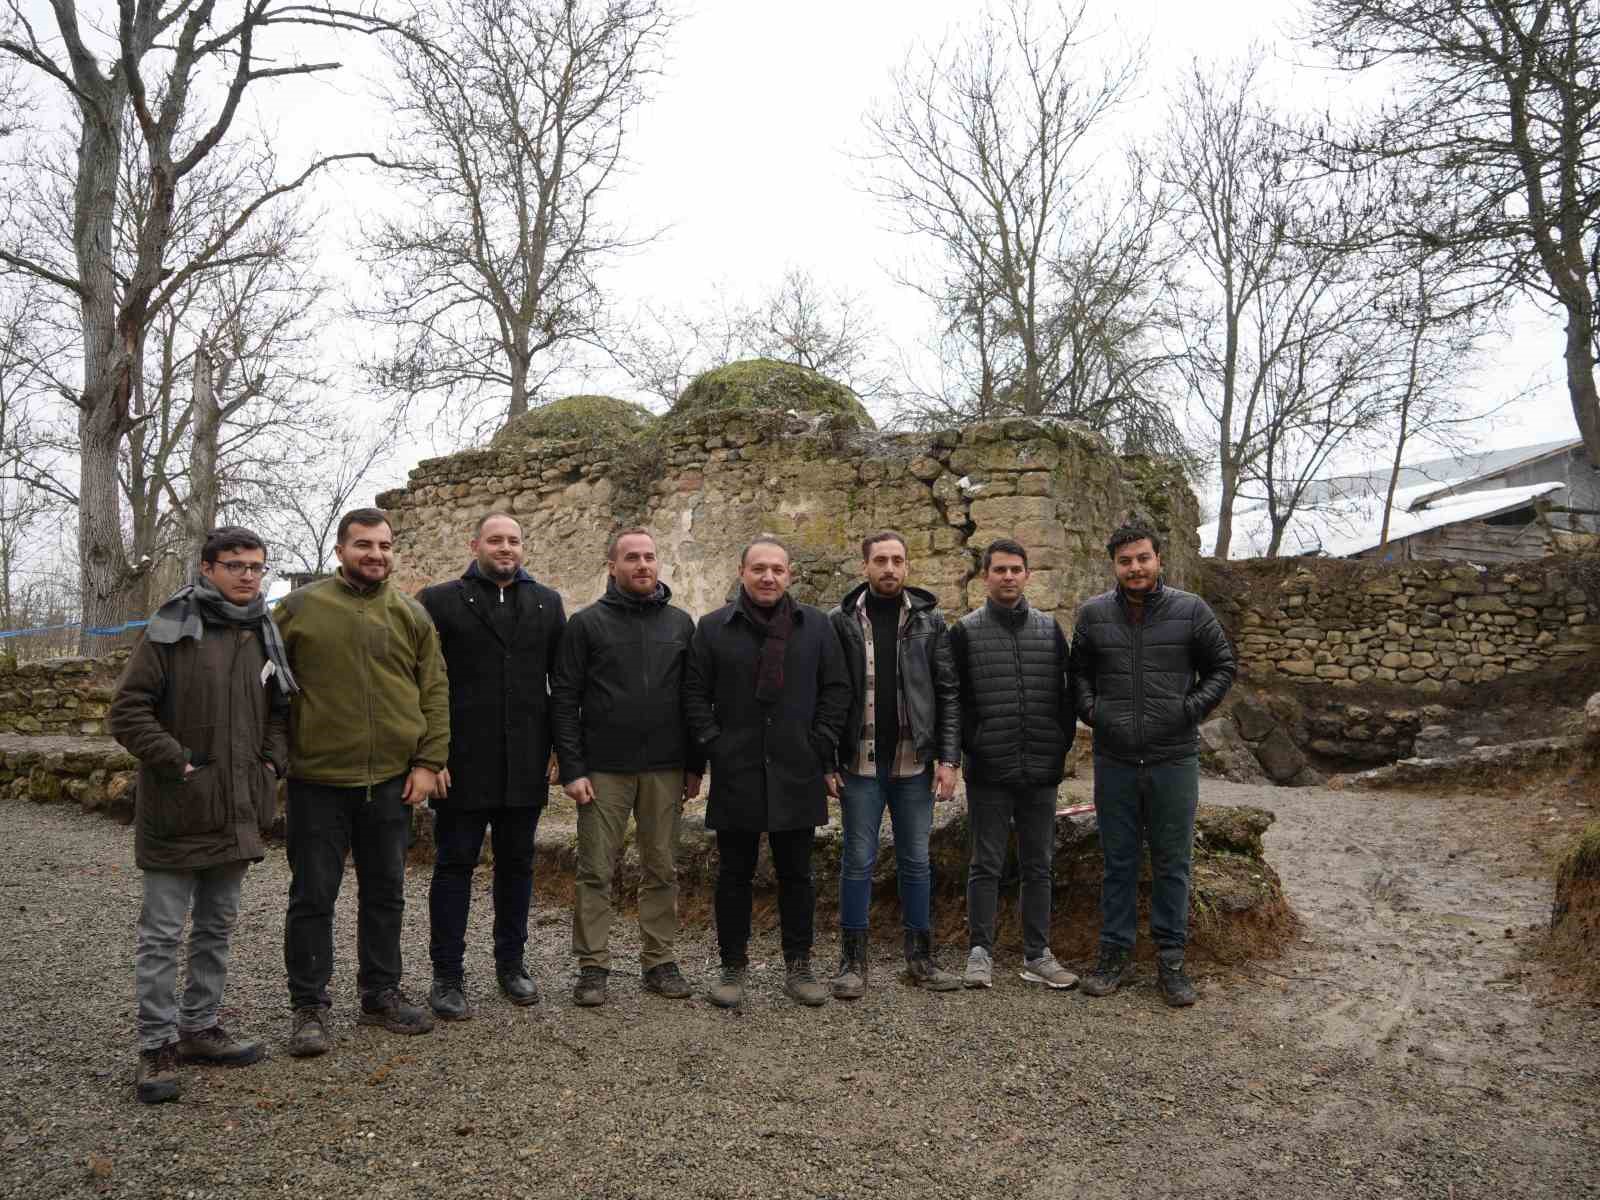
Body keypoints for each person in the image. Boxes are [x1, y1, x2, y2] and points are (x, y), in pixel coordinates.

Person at [110, 527, 294, 1103]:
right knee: (163, 934)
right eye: (235, 565)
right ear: (207, 568)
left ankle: (200, 1028)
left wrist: (271, 764)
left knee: (217, 927)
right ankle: (156, 1045)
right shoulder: (170, 629)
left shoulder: (263, 631)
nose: (247, 575)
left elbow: (279, 711)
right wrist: (180, 763)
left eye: (257, 566)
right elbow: (127, 712)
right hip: (178, 807)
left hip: (238, 810)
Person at [274, 507, 449, 1056]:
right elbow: (268, 692)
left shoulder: (410, 614)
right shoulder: (297, 609)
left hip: (391, 783)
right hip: (318, 780)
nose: (376, 555)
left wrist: (427, 762)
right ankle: (309, 1007)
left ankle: (380, 994)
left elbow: (435, 691)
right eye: (363, 545)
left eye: (384, 546)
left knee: (385, 895)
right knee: (313, 896)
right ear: (340, 550)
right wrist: (276, 760)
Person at [1070, 521, 1236, 1007]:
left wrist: (1188, 710)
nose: (1135, 567)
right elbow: (1077, 676)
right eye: (1125, 561)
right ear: (1114, 566)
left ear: (1158, 559)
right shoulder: (1094, 615)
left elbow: (1222, 666)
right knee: (1118, 862)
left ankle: (1171, 961)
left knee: (1172, 863)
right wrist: (1097, 714)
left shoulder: (1190, 610)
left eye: (1143, 558)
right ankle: (1114, 955)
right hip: (1115, 758)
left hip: (1173, 758)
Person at [683, 536, 850, 1008]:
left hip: (797, 767)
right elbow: (695, 695)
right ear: (742, 572)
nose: (768, 577)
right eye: (759, 568)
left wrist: (818, 743)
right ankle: (732, 967)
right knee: (733, 874)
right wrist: (714, 744)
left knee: (797, 873)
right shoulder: (713, 628)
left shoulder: (816, 626)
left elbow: (836, 691)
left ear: (789, 575)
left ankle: (799, 966)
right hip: (737, 769)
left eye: (777, 569)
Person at [416, 513, 565, 1019]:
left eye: (514, 540)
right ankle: (447, 974)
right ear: (474, 543)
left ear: (524, 547)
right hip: (459, 763)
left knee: (518, 866)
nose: (506, 547)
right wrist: (428, 756)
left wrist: (560, 749)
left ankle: (511, 964)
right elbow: (424, 684)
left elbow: (560, 686)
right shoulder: (438, 601)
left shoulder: (548, 603)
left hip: (524, 761)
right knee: (454, 864)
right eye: (496, 539)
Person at [551, 528, 702, 1007]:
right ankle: (593, 966)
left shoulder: (681, 625)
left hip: (665, 768)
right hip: (603, 770)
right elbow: (565, 700)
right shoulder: (586, 625)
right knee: (596, 869)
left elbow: (694, 699)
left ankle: (659, 961)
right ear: (612, 566)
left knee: (661, 868)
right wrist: (573, 768)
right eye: (632, 557)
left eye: (650, 557)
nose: (642, 565)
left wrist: (695, 765)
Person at [825, 530, 962, 998]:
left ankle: (920, 958)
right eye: (880, 560)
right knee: (858, 861)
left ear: (907, 566)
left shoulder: (930, 621)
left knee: (917, 862)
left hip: (913, 762)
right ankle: (852, 962)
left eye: (897, 560)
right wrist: (827, 759)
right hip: (858, 764)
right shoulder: (840, 621)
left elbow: (947, 692)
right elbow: (827, 696)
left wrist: (949, 758)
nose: (889, 568)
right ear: (865, 566)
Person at [949, 538, 1078, 991]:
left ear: (1027, 575)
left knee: (1039, 863)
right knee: (985, 862)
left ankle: (1037, 954)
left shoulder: (1049, 630)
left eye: (1016, 569)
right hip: (989, 767)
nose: (1008, 576)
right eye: (999, 569)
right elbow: (956, 699)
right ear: (985, 577)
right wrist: (975, 743)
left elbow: (1067, 695)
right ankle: (979, 952)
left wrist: (1060, 742)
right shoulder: (963, 632)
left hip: (1041, 766)